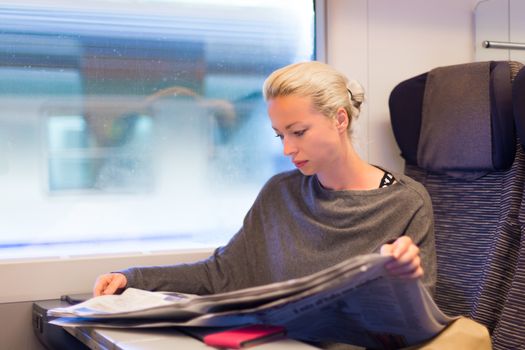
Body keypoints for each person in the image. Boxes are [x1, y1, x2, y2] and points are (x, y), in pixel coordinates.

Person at [94, 61, 436, 302]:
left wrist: (403, 280)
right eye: (280, 135)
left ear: (339, 119)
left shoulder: (405, 203)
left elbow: (417, 324)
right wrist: (132, 278)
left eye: (298, 132)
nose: (288, 149)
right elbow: (221, 274)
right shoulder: (280, 194)